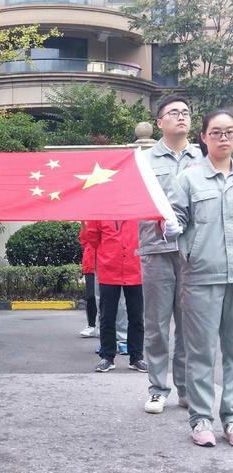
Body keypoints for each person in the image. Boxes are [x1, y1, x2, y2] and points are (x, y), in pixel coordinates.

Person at [168, 110, 233, 447]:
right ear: (204, 137)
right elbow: (174, 217)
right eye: (216, 132)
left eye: (229, 132)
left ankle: (232, 418)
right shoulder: (189, 179)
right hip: (202, 277)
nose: (224, 138)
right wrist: (175, 231)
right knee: (202, 353)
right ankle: (201, 420)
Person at [139, 95, 203, 414]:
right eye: (173, 113)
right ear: (159, 122)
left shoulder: (203, 158)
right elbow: (136, 204)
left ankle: (186, 388)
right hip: (156, 250)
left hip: (193, 254)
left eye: (185, 113)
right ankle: (157, 388)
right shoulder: (144, 161)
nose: (181, 117)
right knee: (157, 324)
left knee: (189, 325)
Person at [82, 220, 147, 373]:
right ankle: (107, 357)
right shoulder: (100, 213)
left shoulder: (136, 211)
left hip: (134, 269)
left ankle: (136, 357)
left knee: (136, 316)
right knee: (107, 316)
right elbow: (92, 239)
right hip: (109, 269)